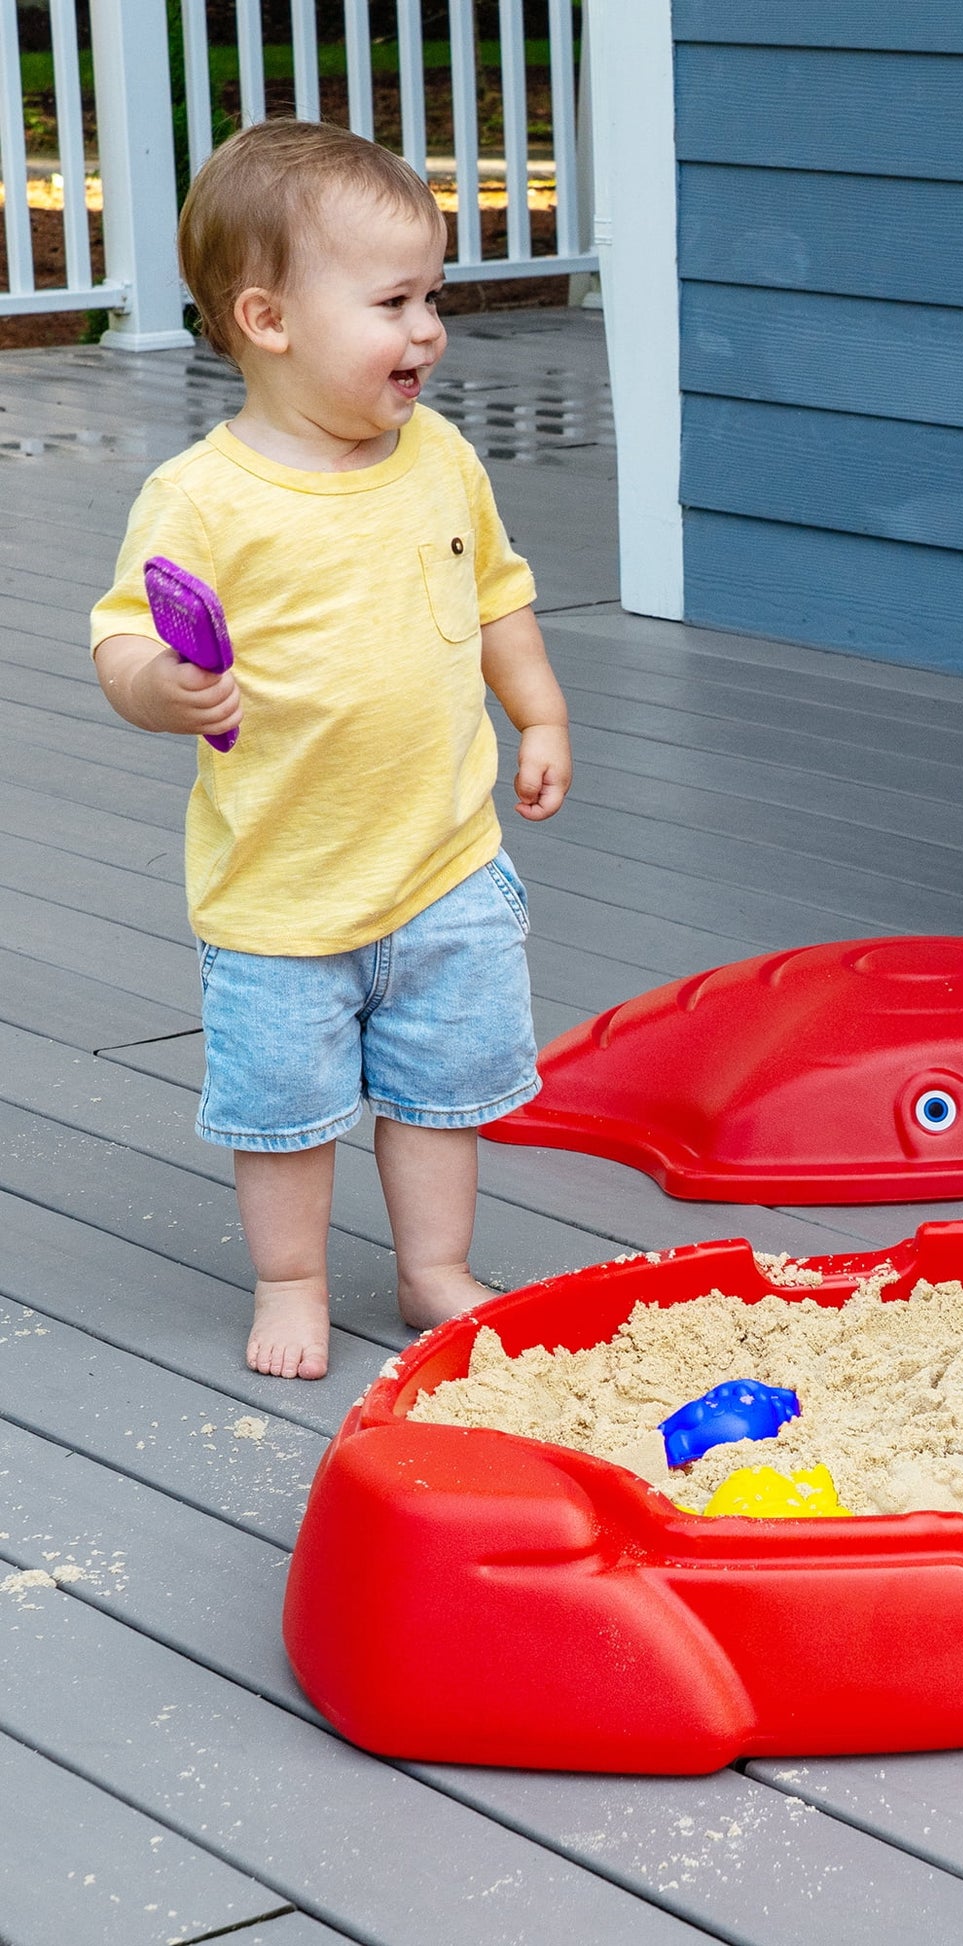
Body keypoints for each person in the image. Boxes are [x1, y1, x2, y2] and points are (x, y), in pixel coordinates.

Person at [89, 120, 572, 1382]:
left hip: (442, 862)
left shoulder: (440, 456)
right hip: (280, 891)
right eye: (395, 301)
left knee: (435, 1091)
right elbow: (125, 639)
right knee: (287, 1111)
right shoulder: (208, 497)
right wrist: (164, 688)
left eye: (434, 297)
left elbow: (496, 596)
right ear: (269, 318)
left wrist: (541, 713)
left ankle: (432, 1268)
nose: (429, 331)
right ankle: (293, 1276)